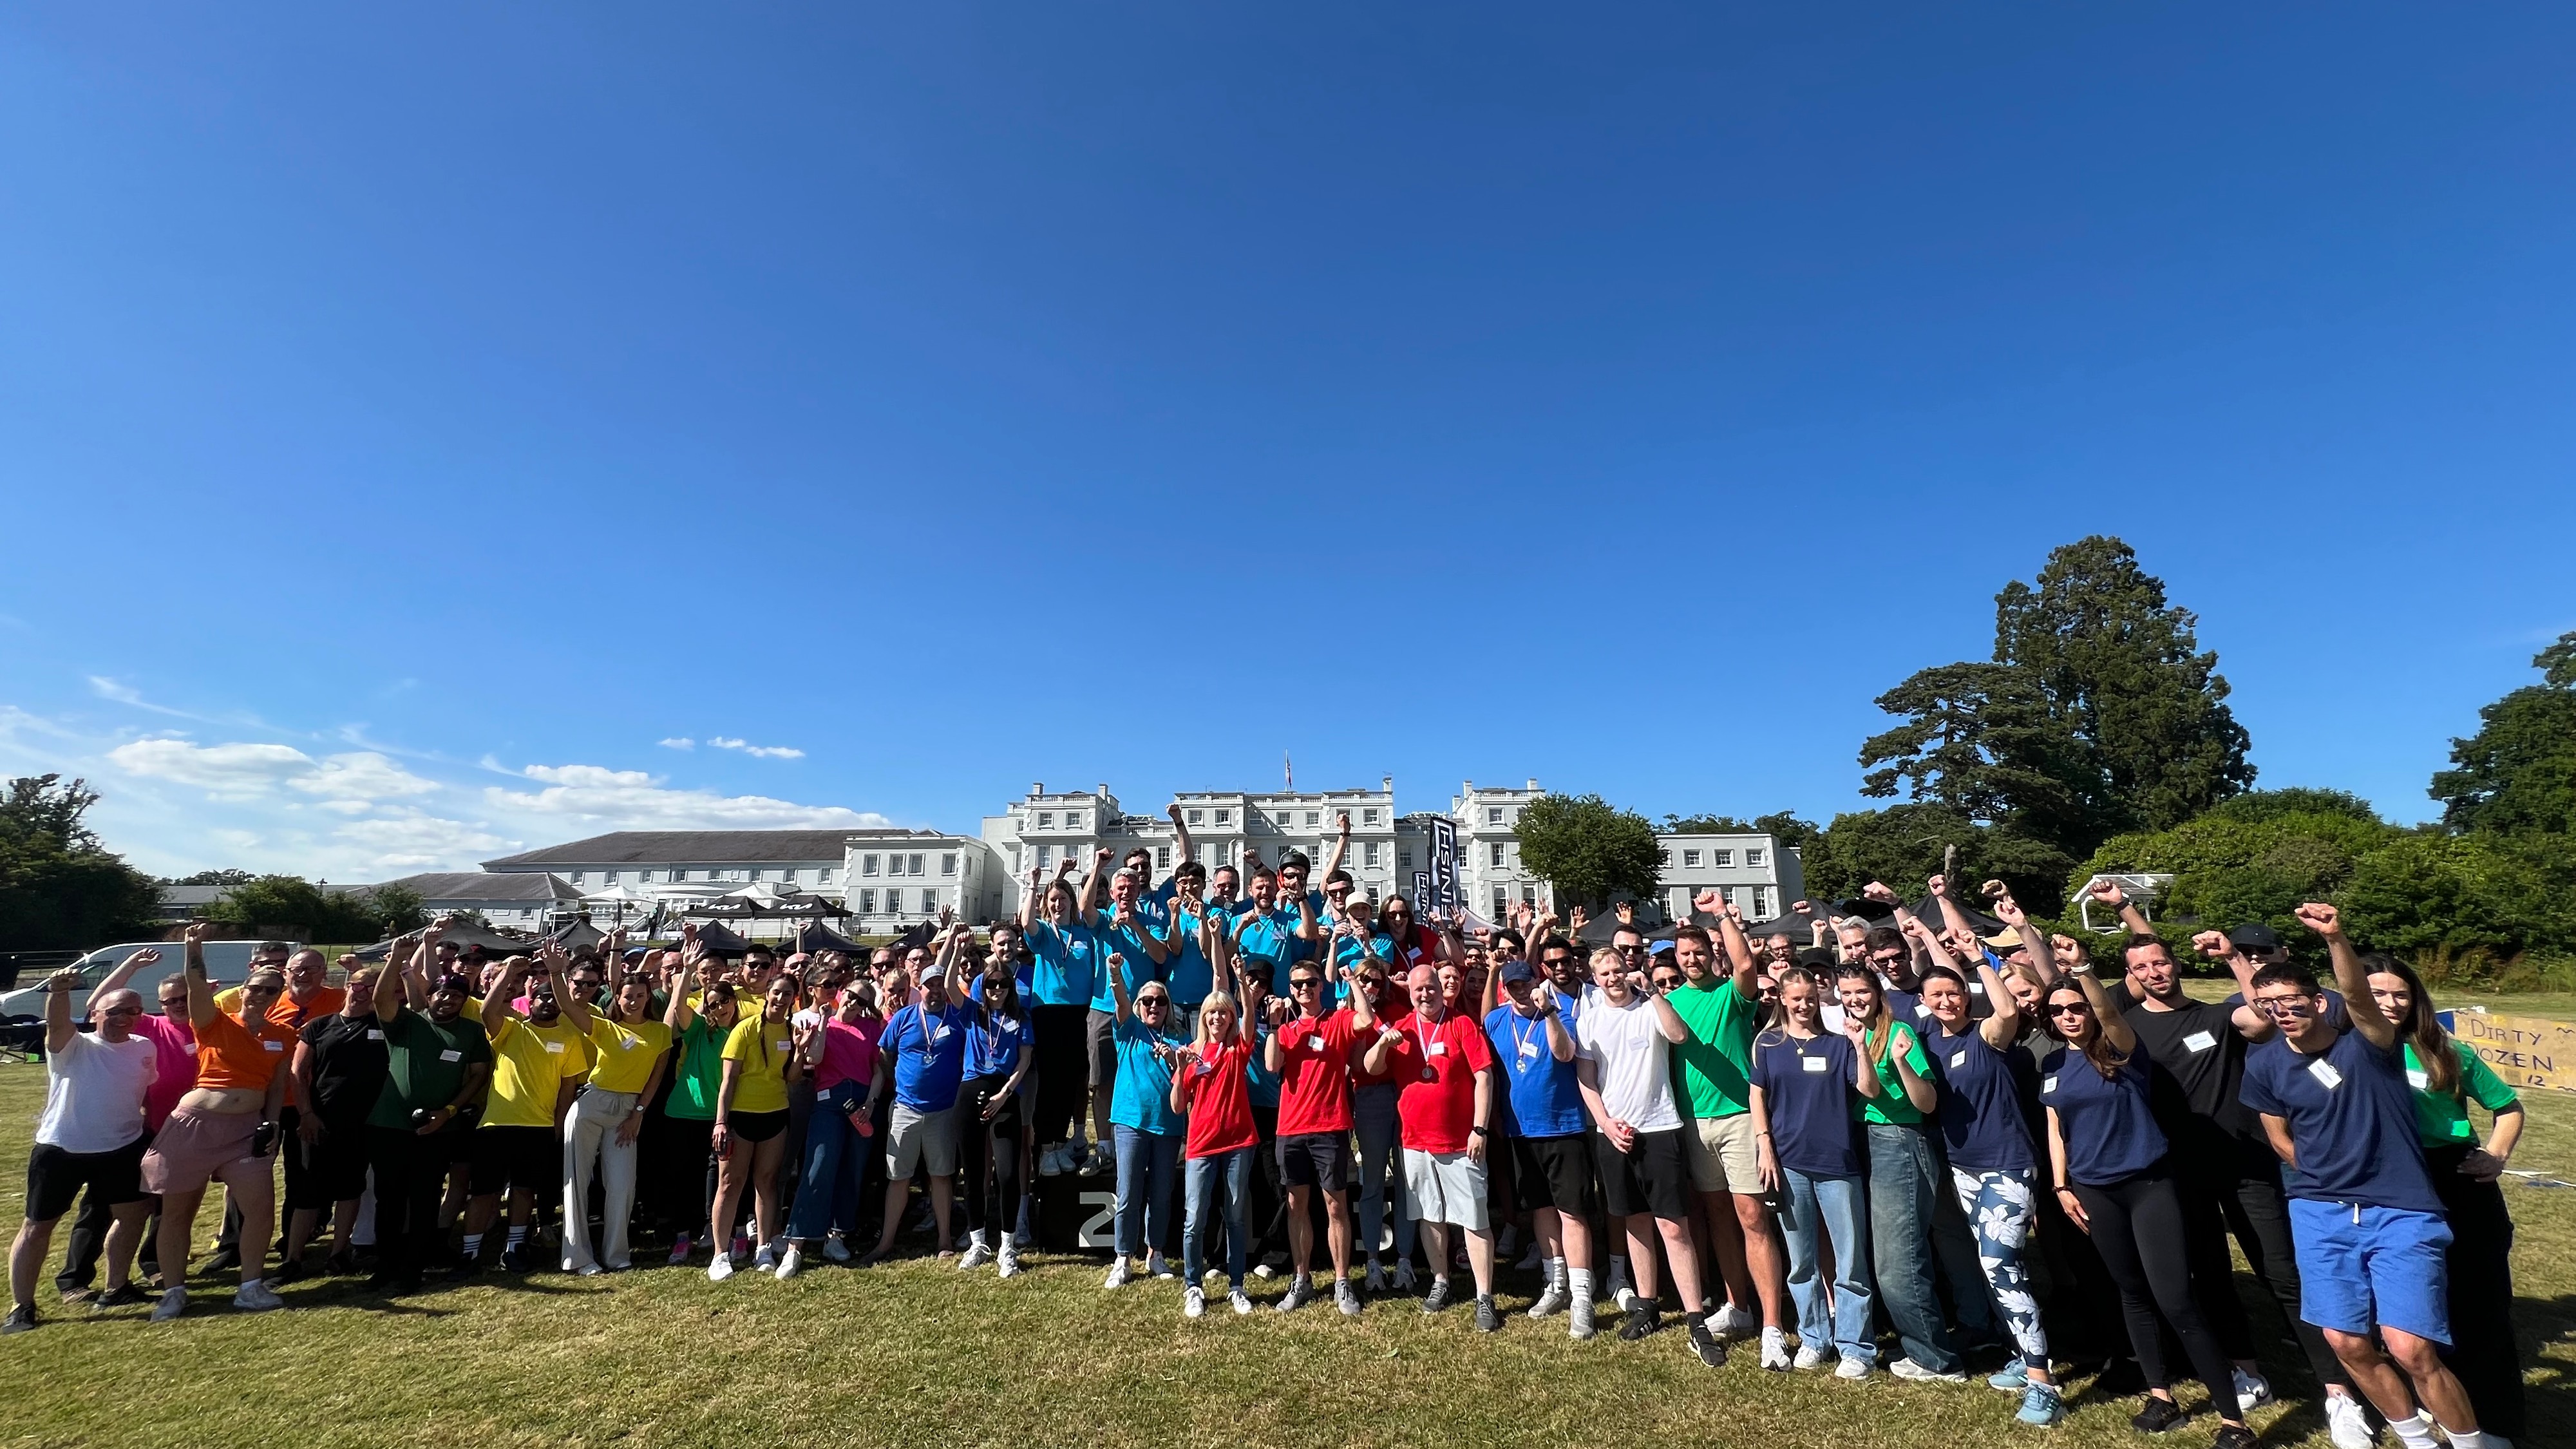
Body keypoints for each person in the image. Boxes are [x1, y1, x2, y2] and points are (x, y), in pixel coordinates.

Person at [2088, 876, 2369, 1442]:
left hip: (2245, 1164)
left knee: (2281, 1273)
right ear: (2131, 975)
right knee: (2212, 1277)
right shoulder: (2127, 1027)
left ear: (2175, 965)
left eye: (2161, 962)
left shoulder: (2217, 1016)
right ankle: (2248, 1372)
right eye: (2142, 967)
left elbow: (2262, 1019)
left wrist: (2234, 960)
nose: (2154, 972)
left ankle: (2337, 1390)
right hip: (2175, 1173)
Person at [2241, 905, 2490, 1449]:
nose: (2282, 1012)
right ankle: (2415, 1438)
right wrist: (2318, 1175)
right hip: (2319, 1212)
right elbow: (2276, 1134)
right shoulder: (2263, 1065)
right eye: (2269, 1005)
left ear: (2318, 1001)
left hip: (2400, 1208)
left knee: (2410, 1349)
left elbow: (2358, 997)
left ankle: (2470, 1442)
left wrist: (2336, 939)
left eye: (2292, 1001)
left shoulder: (2368, 1045)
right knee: (2346, 1343)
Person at [2041, 948, 2251, 1446]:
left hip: (2148, 1186)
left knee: (2176, 1299)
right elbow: (2056, 1127)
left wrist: (2084, 972)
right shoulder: (2052, 1063)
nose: (2069, 1016)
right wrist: (2061, 1186)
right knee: (2131, 1293)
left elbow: (2110, 1012)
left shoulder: (2120, 1049)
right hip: (2094, 1191)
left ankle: (2233, 1420)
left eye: (2076, 1008)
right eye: (2058, 1010)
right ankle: (2161, 1396)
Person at [1913, 918, 2064, 1428]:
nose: (1946, 1001)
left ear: (1966, 995)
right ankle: (2024, 1354)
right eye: (1936, 995)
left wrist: (1979, 959)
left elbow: (2006, 1010)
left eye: (1953, 993)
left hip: (2008, 1164)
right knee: (1995, 1265)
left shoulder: (1987, 1034)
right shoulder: (1926, 1041)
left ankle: (2042, 1381)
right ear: (1925, 1002)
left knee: (2002, 1265)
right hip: (1964, 1168)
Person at [2367, 956, 2525, 1441]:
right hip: (2385, 1183)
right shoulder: (2346, 1050)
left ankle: (2493, 1420)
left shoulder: (2443, 1050)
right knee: (2411, 1308)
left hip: (2452, 1179)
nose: (2391, 1003)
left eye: (2401, 994)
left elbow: (2508, 1107)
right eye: (2377, 993)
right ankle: (2431, 1404)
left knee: (2479, 1303)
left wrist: (2496, 1155)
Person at [1572, 944, 1727, 1367]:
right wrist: (1605, 1123)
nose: (1613, 978)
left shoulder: (1650, 1008)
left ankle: (1695, 1319)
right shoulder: (1589, 1020)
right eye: (1604, 973)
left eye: (1617, 970)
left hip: (1660, 1128)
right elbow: (1587, 1079)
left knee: (1673, 1227)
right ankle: (1647, 1305)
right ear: (1595, 980)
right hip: (1615, 1135)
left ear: (1628, 970)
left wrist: (1653, 993)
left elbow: (1679, 1036)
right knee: (1635, 1223)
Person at [142, 923, 293, 1319]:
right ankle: (174, 1292)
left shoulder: (283, 1035)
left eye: (271, 991)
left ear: (279, 996)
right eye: (255, 988)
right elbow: (195, 985)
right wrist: (194, 949)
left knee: (260, 1209)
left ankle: (251, 1287)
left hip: (245, 1132)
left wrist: (273, 1125)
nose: (261, 995)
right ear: (242, 990)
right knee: (178, 1213)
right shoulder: (215, 1021)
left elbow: (278, 1086)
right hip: (195, 1125)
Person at [1664, 898, 1785, 1364]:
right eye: (1684, 954)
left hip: (1739, 1117)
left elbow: (1746, 963)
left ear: (1711, 953)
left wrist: (1721, 915)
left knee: (1752, 1217)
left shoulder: (1732, 993)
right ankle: (1738, 1307)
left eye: (1699, 952)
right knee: (1718, 1216)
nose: (1692, 960)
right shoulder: (1670, 1003)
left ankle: (1773, 1325)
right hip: (1694, 1122)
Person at [1833, 958, 1964, 1383]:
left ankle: (1936, 1359)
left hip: (1899, 1142)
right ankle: (1918, 1343)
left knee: (1900, 1259)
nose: (1855, 1000)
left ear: (1878, 993)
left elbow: (1926, 1103)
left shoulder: (1898, 1032)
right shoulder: (1852, 1032)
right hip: (1865, 1142)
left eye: (1862, 992)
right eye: (1847, 993)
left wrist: (1902, 1062)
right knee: (1887, 1254)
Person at [6, 963, 156, 1332]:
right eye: (115, 1011)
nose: (124, 1018)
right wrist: (59, 992)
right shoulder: (73, 1045)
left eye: (133, 1011)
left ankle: (116, 1287)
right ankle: (21, 1307)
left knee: (132, 1216)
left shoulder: (144, 1047)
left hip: (122, 1148)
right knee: (37, 1227)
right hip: (62, 1150)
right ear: (95, 1013)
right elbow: (57, 1024)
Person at [1748, 965, 1872, 1377]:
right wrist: (1765, 1145)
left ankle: (1856, 1347)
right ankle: (1814, 1337)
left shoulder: (1839, 1044)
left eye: (1811, 999)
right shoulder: (1768, 1044)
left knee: (1849, 1261)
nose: (1804, 1006)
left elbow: (1868, 1089)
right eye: (1797, 999)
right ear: (1783, 1000)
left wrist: (1861, 1048)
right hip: (1789, 1164)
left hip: (1837, 1163)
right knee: (1801, 1262)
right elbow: (1757, 1096)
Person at [1363, 961, 1501, 1331]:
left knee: (1474, 1219)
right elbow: (1372, 1068)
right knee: (1430, 1215)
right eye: (1418, 990)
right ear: (1409, 994)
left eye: (1431, 987)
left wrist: (1480, 1129)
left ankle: (1484, 1295)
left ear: (1441, 989)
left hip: (1461, 1143)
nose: (1426, 994)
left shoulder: (1462, 1024)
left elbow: (1484, 1077)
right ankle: (1441, 1281)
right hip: (1415, 1143)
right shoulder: (1403, 1029)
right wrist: (1382, 1043)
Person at [52, 947, 193, 1302]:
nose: (178, 1004)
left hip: (187, 1132)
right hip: (146, 1129)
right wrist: (130, 966)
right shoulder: (150, 1026)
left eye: (185, 998)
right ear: (160, 1005)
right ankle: (75, 1278)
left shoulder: (210, 1025)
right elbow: (101, 1004)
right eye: (170, 1000)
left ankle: (154, 1264)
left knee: (162, 1203)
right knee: (100, 1207)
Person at [366, 925, 491, 1295]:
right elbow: (381, 1000)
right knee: (389, 1200)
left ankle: (413, 1269)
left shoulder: (471, 1033)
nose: (448, 1000)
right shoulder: (407, 1022)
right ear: (430, 995)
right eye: (442, 993)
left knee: (424, 1201)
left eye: (457, 995)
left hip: (438, 1129)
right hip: (390, 1124)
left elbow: (478, 1075)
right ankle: (385, 1267)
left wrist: (449, 1111)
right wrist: (397, 959)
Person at [1486, 954, 1594, 1338]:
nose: (1520, 992)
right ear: (1505, 989)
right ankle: (1555, 1282)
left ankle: (1582, 1297)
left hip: (1563, 1128)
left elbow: (1564, 1053)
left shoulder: (1561, 1014)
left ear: (1537, 983)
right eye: (1512, 986)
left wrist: (1547, 1011)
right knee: (1541, 1210)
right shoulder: (1496, 1020)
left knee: (1572, 1213)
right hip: (1520, 1132)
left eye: (1525, 984)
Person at [468, 949, 588, 1275]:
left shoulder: (569, 1039)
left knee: (524, 1192)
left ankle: (514, 1248)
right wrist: (508, 972)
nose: (548, 1002)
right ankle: (469, 1253)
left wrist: (557, 1125)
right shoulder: (511, 1029)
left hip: (539, 1128)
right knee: (483, 1193)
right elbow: (487, 1011)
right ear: (529, 1002)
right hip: (495, 1124)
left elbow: (567, 1089)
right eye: (541, 998)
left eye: (554, 998)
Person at [1265, 953, 1372, 1317]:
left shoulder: (1337, 1020)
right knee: (1296, 1205)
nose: (1304, 990)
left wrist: (1353, 981)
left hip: (1330, 1126)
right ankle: (1302, 1278)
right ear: (1291, 989)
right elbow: (1271, 1064)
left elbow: (1366, 1020)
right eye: (1297, 985)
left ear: (1321, 986)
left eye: (1310, 983)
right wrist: (1274, 1024)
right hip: (1291, 1128)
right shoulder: (1287, 1029)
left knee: (1335, 1205)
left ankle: (1342, 1281)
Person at [282, 953, 397, 1278]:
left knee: (350, 1190)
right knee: (308, 1192)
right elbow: (297, 1072)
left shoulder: (385, 1027)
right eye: (358, 986)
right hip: (319, 1120)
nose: (362, 993)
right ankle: (292, 1259)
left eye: (371, 988)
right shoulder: (319, 1026)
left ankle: (338, 1254)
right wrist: (306, 1113)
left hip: (362, 1124)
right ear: (347, 987)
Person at [560, 947, 670, 1274]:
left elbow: (655, 1078)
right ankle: (578, 1258)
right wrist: (555, 973)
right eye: (627, 996)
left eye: (640, 995)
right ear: (617, 998)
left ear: (648, 997)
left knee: (622, 1186)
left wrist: (638, 1113)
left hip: (628, 1112)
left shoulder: (661, 1032)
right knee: (576, 1183)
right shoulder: (604, 1026)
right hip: (591, 1105)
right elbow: (567, 1005)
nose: (634, 1001)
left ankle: (617, 1255)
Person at [862, 942, 972, 1268]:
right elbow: (885, 1054)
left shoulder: (958, 1019)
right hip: (905, 1108)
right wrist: (898, 1081)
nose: (935, 990)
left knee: (941, 1175)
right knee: (898, 1176)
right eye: (929, 985)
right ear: (918, 988)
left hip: (943, 1110)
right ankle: (886, 1242)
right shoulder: (904, 1017)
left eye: (940, 985)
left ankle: (944, 1240)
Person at [786, 977, 884, 1270]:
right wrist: (825, 1022)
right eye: (851, 995)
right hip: (828, 1103)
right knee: (818, 1167)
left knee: (852, 1170)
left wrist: (871, 1103)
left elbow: (878, 1071)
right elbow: (814, 1058)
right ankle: (796, 1243)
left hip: (861, 1104)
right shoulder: (820, 1023)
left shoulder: (871, 1028)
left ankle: (836, 1236)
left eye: (862, 1001)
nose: (853, 1003)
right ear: (842, 993)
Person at [1086, 853, 1173, 1175]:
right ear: (1112, 893)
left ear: (1139, 891)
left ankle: (1143, 1141)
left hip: (1143, 1012)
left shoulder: (1151, 920)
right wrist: (1098, 866)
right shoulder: (1103, 919)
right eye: (1120, 888)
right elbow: (1084, 908)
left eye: (1131, 888)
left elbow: (1161, 955)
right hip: (1104, 1009)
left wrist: (1135, 924)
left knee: (1144, 1077)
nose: (1125, 893)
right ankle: (1105, 1145)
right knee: (1102, 1079)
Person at [1173, 989, 1258, 1318]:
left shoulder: (1237, 1048)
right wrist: (1180, 1069)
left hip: (1238, 1143)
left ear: (1231, 1018)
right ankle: (1193, 1286)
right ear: (1204, 1017)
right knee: (1194, 1219)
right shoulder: (1193, 1053)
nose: (1217, 1018)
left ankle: (1237, 1285)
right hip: (1201, 1145)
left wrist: (1243, 985)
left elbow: (1250, 1019)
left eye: (1224, 1012)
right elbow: (1178, 1105)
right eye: (1212, 1012)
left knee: (1235, 1217)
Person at [709, 974, 800, 1279]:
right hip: (741, 1116)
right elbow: (729, 1079)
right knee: (730, 1183)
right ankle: (720, 1255)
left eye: (787, 994)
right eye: (777, 992)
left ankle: (763, 1247)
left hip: (776, 1114)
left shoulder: (791, 1030)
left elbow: (791, 1078)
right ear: (767, 994)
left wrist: (801, 1049)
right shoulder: (745, 1028)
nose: (781, 999)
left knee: (767, 1181)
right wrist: (721, 1121)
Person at [1104, 958, 1186, 1289]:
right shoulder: (1130, 1030)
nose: (1154, 1006)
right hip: (1131, 1122)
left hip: (1168, 1125)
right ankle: (1123, 1257)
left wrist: (1175, 1060)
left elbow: (1190, 1080)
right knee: (1128, 1193)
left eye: (1161, 1001)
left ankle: (1156, 1253)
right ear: (1139, 1006)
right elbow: (1121, 1002)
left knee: (1162, 1194)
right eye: (1148, 1001)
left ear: (1169, 1006)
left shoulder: (1181, 1038)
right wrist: (1115, 975)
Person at [657, 940, 736, 1264]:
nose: (719, 1008)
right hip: (683, 1112)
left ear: (734, 1002)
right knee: (681, 1177)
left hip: (720, 1117)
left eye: (724, 1002)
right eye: (713, 1004)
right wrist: (687, 972)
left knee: (714, 1178)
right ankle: (681, 1237)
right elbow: (678, 1010)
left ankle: (708, 1228)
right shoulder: (700, 1029)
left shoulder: (743, 1032)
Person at [954, 945, 1030, 1276]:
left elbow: (1025, 1059)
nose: (997, 989)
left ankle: (1007, 1246)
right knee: (973, 1172)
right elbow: (948, 985)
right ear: (981, 987)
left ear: (1011, 987)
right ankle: (977, 1243)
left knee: (1008, 1173)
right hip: (971, 1091)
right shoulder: (973, 1012)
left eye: (1002, 984)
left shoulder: (1021, 1017)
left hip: (1006, 1094)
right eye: (990, 984)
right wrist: (955, 948)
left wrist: (1004, 1094)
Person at [1022, 860, 1101, 1178]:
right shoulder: (1042, 932)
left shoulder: (1084, 934)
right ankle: (1045, 1149)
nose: (1058, 905)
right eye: (1053, 900)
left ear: (1071, 901)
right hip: (1049, 1013)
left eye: (1063, 899)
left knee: (1071, 1083)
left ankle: (1059, 1144)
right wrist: (1034, 885)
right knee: (1050, 1084)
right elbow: (1026, 921)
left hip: (1079, 1013)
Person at [1345, 957, 1416, 1292]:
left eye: (1377, 981)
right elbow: (1358, 1066)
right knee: (1372, 1182)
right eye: (1365, 980)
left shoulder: (1397, 1009)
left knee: (1406, 1182)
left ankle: (1405, 1259)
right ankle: (1373, 1260)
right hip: (1370, 1098)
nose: (1372, 986)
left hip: (1403, 1096)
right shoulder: (1349, 1018)